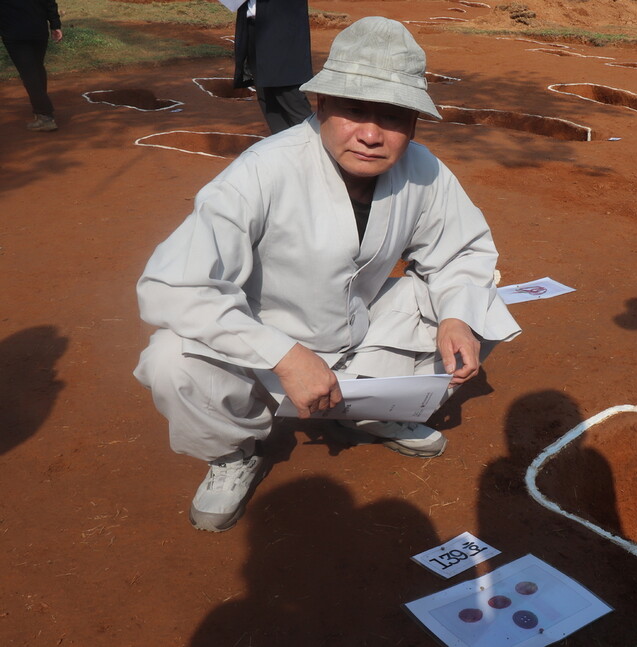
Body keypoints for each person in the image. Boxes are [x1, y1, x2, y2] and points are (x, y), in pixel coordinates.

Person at [134, 17, 520, 533]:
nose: (371, 134)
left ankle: (375, 408)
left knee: (479, 308)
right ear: (320, 106)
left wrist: (455, 315)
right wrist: (284, 355)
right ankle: (232, 453)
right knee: (170, 359)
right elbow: (173, 285)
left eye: (393, 117)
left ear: (414, 123)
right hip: (261, 346)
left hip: (360, 329)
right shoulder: (264, 171)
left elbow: (464, 254)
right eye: (354, 110)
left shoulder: (424, 170)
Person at [233, 0, 313, 134]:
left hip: (281, 26)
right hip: (255, 26)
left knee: (287, 91)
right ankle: (284, 146)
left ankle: (315, 145)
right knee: (266, 95)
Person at [0, 0, 62, 132]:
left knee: (29, 74)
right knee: (37, 68)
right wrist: (55, 25)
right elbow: (49, 2)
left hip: (14, 34)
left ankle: (45, 115)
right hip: (38, 31)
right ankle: (40, 110)